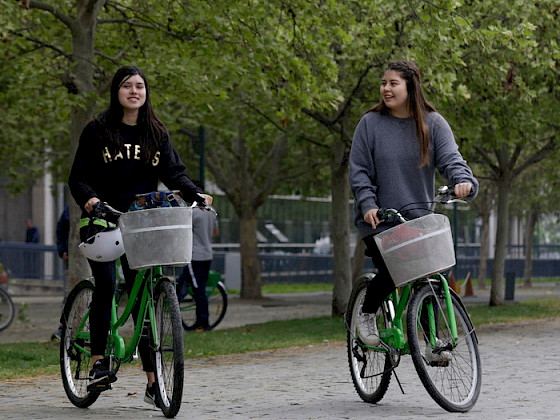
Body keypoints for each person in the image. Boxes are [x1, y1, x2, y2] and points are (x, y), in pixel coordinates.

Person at [68, 65, 213, 406]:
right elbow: (78, 177)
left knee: (144, 295)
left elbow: (174, 172)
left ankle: (153, 382)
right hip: (103, 218)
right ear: (116, 91)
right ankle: (99, 361)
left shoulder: (156, 133)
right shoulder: (98, 131)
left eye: (139, 86)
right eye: (127, 86)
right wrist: (90, 200)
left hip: (140, 223)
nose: (134, 91)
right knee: (105, 284)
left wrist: (195, 193)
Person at [349, 60, 478, 360]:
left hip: (417, 219)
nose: (386, 88)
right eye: (384, 83)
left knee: (434, 272)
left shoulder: (432, 124)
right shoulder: (370, 124)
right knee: (393, 270)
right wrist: (368, 204)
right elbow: (359, 172)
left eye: (393, 83)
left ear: (410, 86)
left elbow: (452, 159)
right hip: (380, 219)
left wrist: (463, 182)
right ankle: (366, 315)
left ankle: (433, 342)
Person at [176, 184, 219, 331]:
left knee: (198, 289)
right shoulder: (211, 211)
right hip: (207, 254)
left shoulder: (193, 213)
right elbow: (215, 233)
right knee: (191, 285)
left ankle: (203, 322)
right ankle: (195, 320)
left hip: (194, 255)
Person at [51, 204, 70, 341]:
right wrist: (62, 250)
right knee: (68, 294)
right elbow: (60, 230)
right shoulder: (69, 210)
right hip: (71, 257)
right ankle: (63, 328)